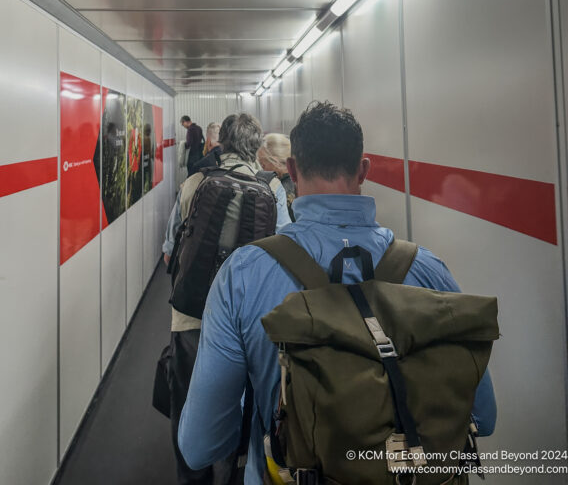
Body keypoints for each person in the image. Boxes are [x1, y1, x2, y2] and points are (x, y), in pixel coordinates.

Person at [178, 101, 497, 484]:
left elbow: (200, 445)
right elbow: (484, 416)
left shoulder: (243, 275)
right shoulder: (428, 270)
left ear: (292, 171)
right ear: (364, 169)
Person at [168, 113, 291, 485]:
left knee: (190, 405)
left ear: (221, 145)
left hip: (192, 316)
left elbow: (174, 240)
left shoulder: (195, 182)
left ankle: (194, 475)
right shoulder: (272, 189)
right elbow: (285, 249)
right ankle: (238, 470)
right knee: (252, 406)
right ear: (256, 148)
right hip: (251, 323)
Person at [258, 133, 296, 221]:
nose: (261, 169)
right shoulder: (301, 181)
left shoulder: (278, 190)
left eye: (262, 164)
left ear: (275, 162)